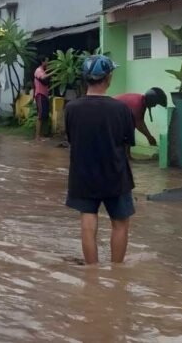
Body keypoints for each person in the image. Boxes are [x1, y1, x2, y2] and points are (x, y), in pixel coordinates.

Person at [65, 55, 135, 265]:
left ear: (86, 79)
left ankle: (92, 272)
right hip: (116, 173)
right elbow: (127, 142)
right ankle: (117, 272)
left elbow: (71, 139)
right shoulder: (121, 109)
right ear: (108, 78)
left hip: (83, 174)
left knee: (87, 221)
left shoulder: (71, 109)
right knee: (120, 224)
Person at [34, 55, 52, 141]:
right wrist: (54, 71)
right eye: (47, 61)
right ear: (42, 62)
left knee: (44, 115)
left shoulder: (44, 71)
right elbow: (44, 77)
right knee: (40, 116)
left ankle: (42, 135)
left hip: (44, 96)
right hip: (40, 95)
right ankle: (37, 136)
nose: (48, 63)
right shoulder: (38, 70)